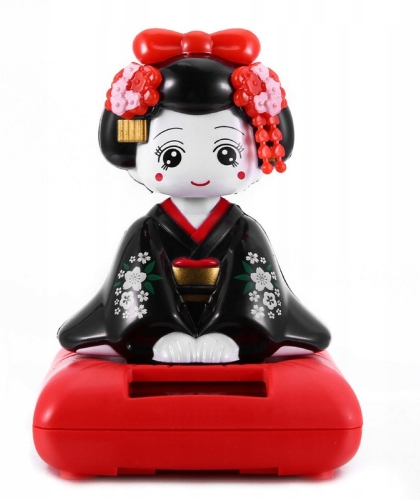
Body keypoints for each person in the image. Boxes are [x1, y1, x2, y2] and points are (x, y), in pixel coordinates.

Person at [58, 29, 330, 364]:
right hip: (158, 328)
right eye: (170, 155)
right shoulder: (147, 231)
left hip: (232, 328)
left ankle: (234, 333)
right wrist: (160, 334)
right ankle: (155, 334)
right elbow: (135, 290)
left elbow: (255, 291)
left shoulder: (244, 231)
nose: (199, 170)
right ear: (133, 153)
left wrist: (231, 334)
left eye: (227, 153)